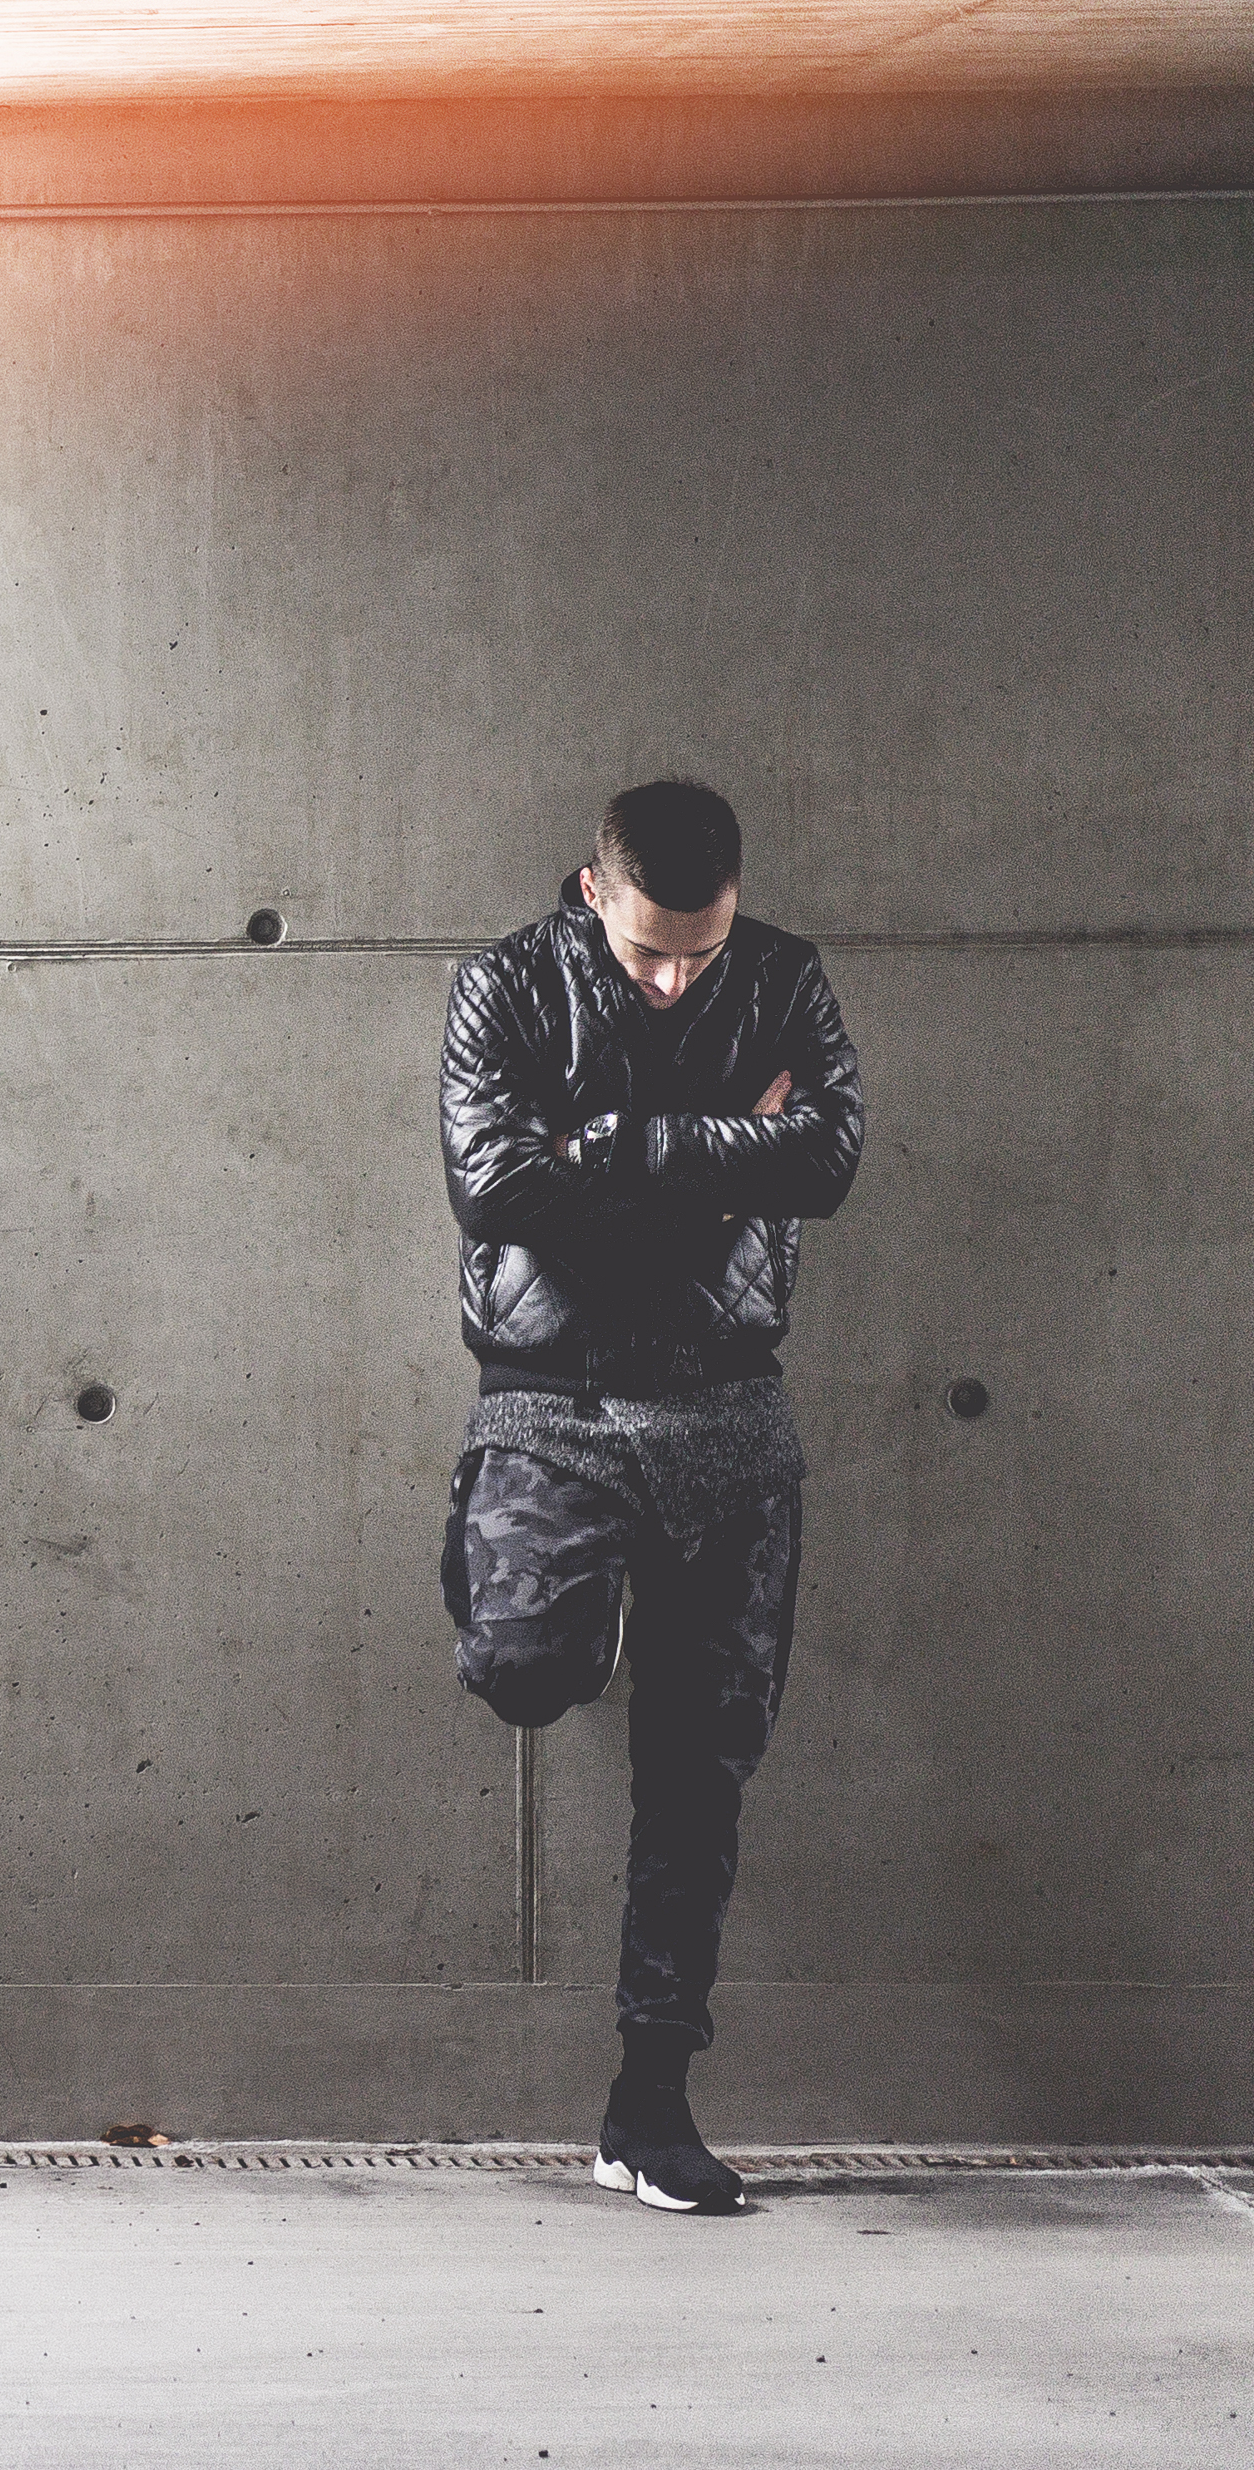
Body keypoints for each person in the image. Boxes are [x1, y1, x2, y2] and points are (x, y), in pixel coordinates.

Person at [435, 779, 864, 2212]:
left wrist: (612, 1147)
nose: (679, 978)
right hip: (552, 1399)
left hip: (730, 1402)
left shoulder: (787, 977)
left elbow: (831, 1158)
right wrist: (723, 1160)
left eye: (705, 950)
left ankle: (649, 2104)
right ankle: (578, 1608)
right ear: (588, 892)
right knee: (522, 1666)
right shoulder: (500, 986)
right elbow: (495, 1187)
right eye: (647, 955)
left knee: (705, 1767)